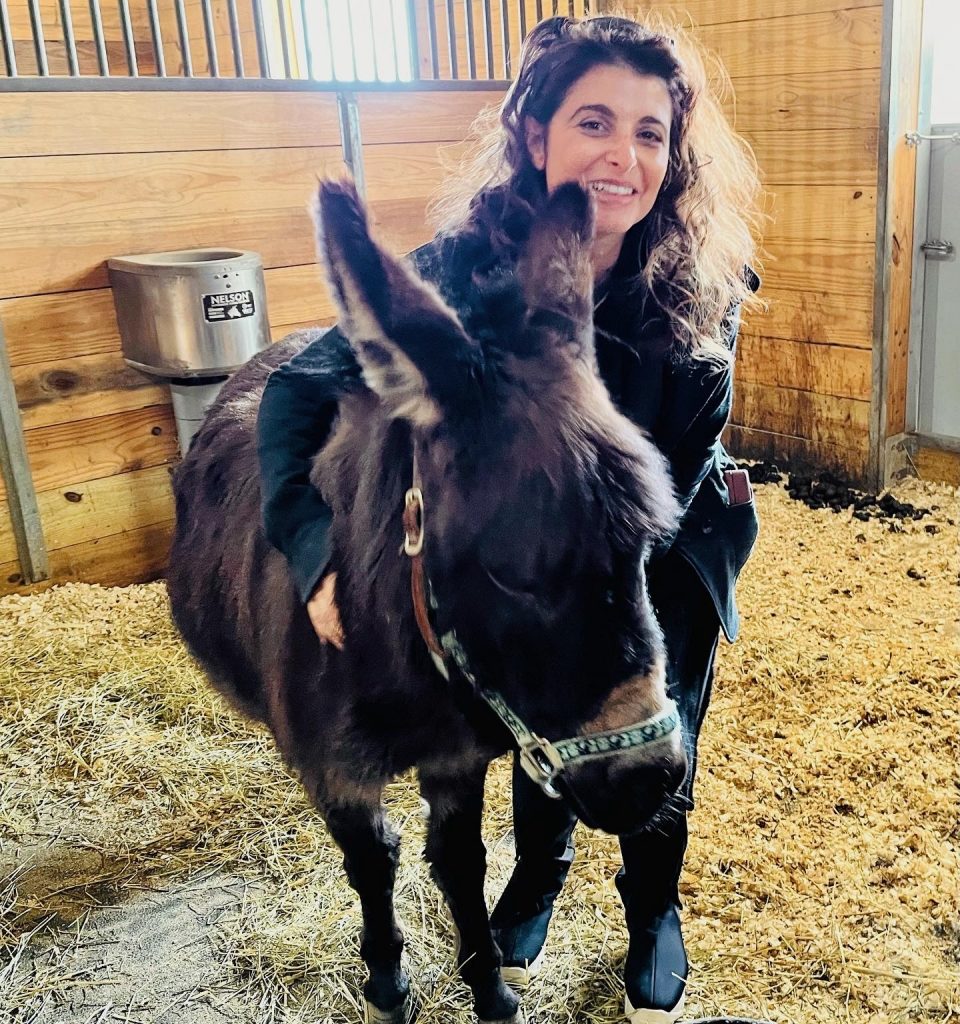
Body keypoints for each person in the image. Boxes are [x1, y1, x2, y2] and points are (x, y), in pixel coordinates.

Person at [257, 13, 762, 1023]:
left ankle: (653, 908)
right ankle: (538, 873)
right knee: (530, 717)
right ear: (536, 137)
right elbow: (293, 397)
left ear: (675, 152)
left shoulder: (706, 295)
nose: (624, 155)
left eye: (652, 132)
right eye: (593, 122)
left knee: (663, 727)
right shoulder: (461, 274)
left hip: (652, 546)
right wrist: (313, 552)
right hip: (533, 561)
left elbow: (670, 470)